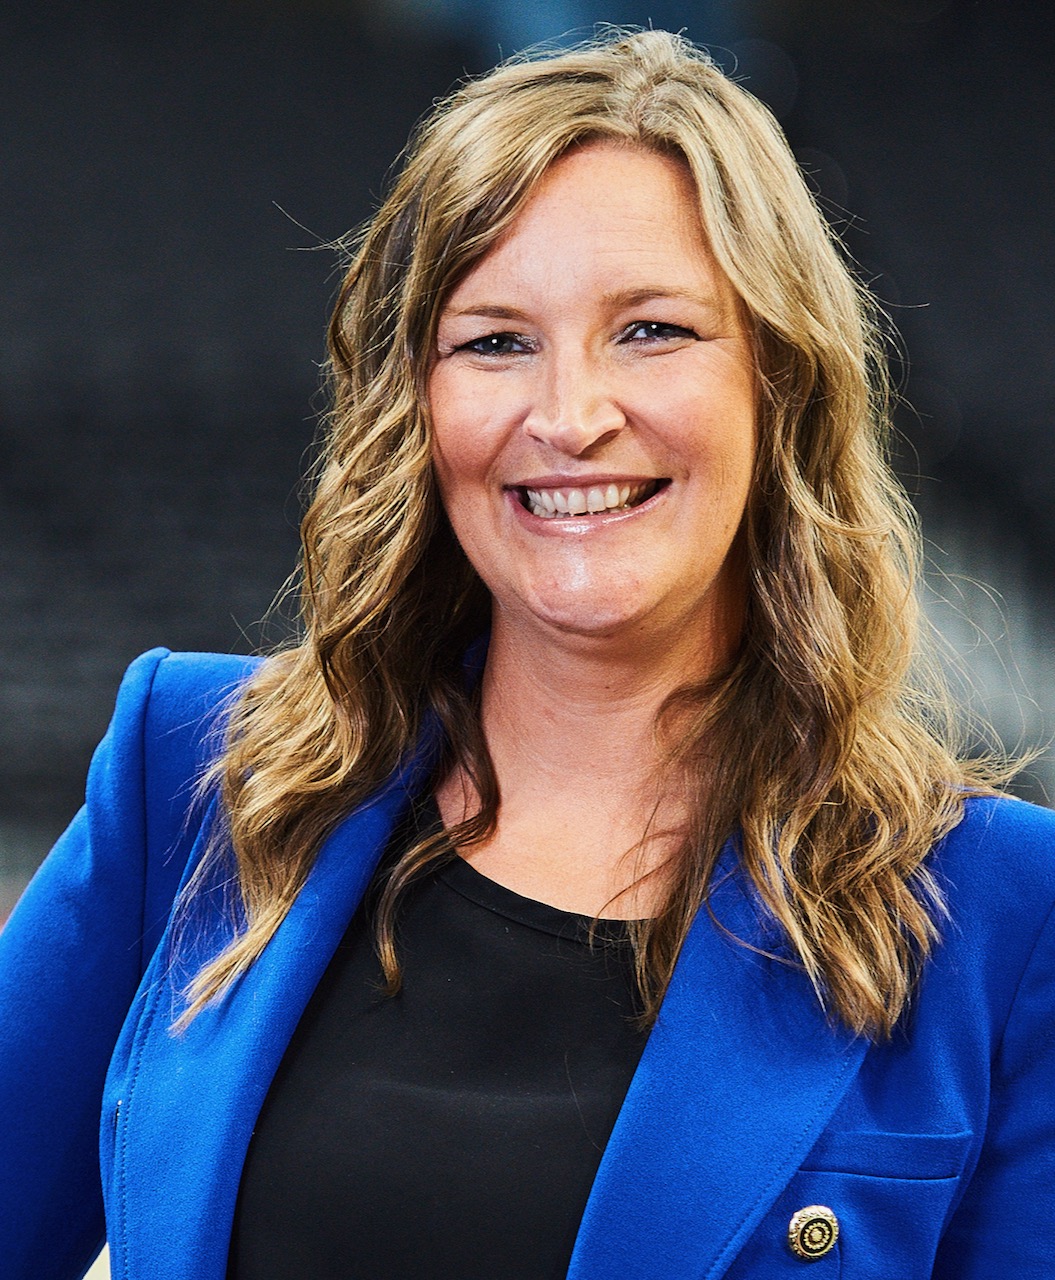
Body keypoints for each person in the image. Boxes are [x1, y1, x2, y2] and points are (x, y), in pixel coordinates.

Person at [1, 28, 1053, 1280]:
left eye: (650, 329)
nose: (568, 416)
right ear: (416, 401)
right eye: (495, 341)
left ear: (777, 381)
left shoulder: (998, 910)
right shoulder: (193, 776)